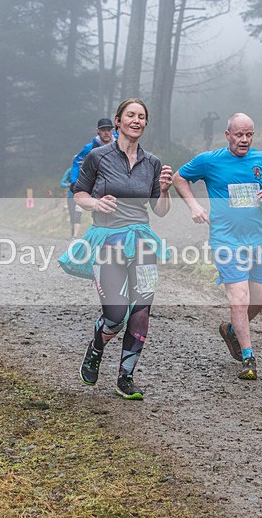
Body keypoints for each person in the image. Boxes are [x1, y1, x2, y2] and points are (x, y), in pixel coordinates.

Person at [58, 99, 173, 400]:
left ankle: (126, 377)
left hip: (141, 241)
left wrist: (165, 189)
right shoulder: (98, 157)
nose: (136, 120)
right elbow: (79, 192)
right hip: (107, 238)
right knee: (116, 314)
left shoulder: (153, 163)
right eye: (131, 115)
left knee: (141, 310)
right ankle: (97, 346)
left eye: (142, 117)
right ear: (118, 121)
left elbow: (159, 211)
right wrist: (95, 203)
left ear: (146, 124)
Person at [172, 113, 262, 380]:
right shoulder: (209, 160)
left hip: (258, 240)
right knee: (239, 298)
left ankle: (233, 330)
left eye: (249, 135)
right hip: (225, 240)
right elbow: (179, 178)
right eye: (239, 135)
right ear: (228, 135)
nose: (244, 140)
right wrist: (194, 205)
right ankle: (248, 358)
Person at [67, 118, 117, 238]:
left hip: (116, 182)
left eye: (108, 130)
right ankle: (100, 237)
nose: (106, 132)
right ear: (97, 131)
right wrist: (74, 182)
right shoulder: (89, 148)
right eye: (103, 130)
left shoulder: (120, 143)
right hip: (98, 184)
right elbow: (76, 163)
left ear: (112, 130)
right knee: (100, 210)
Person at [59, 165, 80, 237]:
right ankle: (73, 233)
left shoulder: (86, 171)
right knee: (72, 216)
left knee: (78, 215)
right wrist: (69, 184)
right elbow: (62, 183)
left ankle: (75, 236)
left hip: (81, 198)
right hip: (71, 197)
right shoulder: (69, 171)